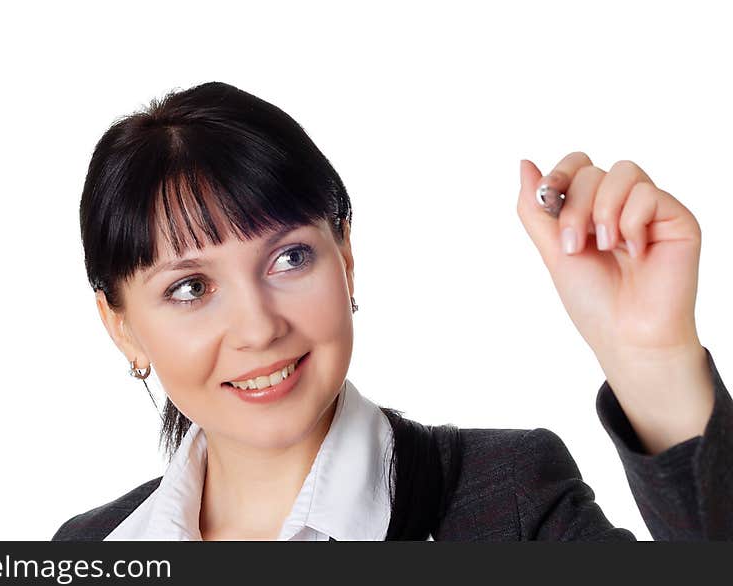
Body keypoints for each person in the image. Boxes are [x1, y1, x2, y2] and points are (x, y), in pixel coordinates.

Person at [53, 81, 732, 541]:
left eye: (289, 257)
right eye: (190, 288)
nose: (260, 328)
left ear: (344, 255)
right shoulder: (85, 549)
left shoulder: (508, 503)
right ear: (121, 326)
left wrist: (655, 363)